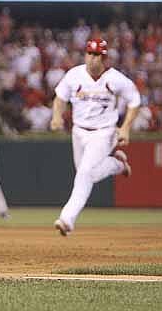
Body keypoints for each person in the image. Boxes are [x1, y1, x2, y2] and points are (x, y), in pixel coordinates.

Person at [51, 38, 140, 236]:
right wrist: (57, 116)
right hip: (79, 131)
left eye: (97, 54)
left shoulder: (115, 78)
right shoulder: (74, 75)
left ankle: (67, 219)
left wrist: (125, 128)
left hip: (104, 132)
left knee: (84, 173)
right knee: (86, 175)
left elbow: (135, 101)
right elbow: (60, 98)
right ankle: (117, 164)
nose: (92, 58)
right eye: (90, 53)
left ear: (104, 57)